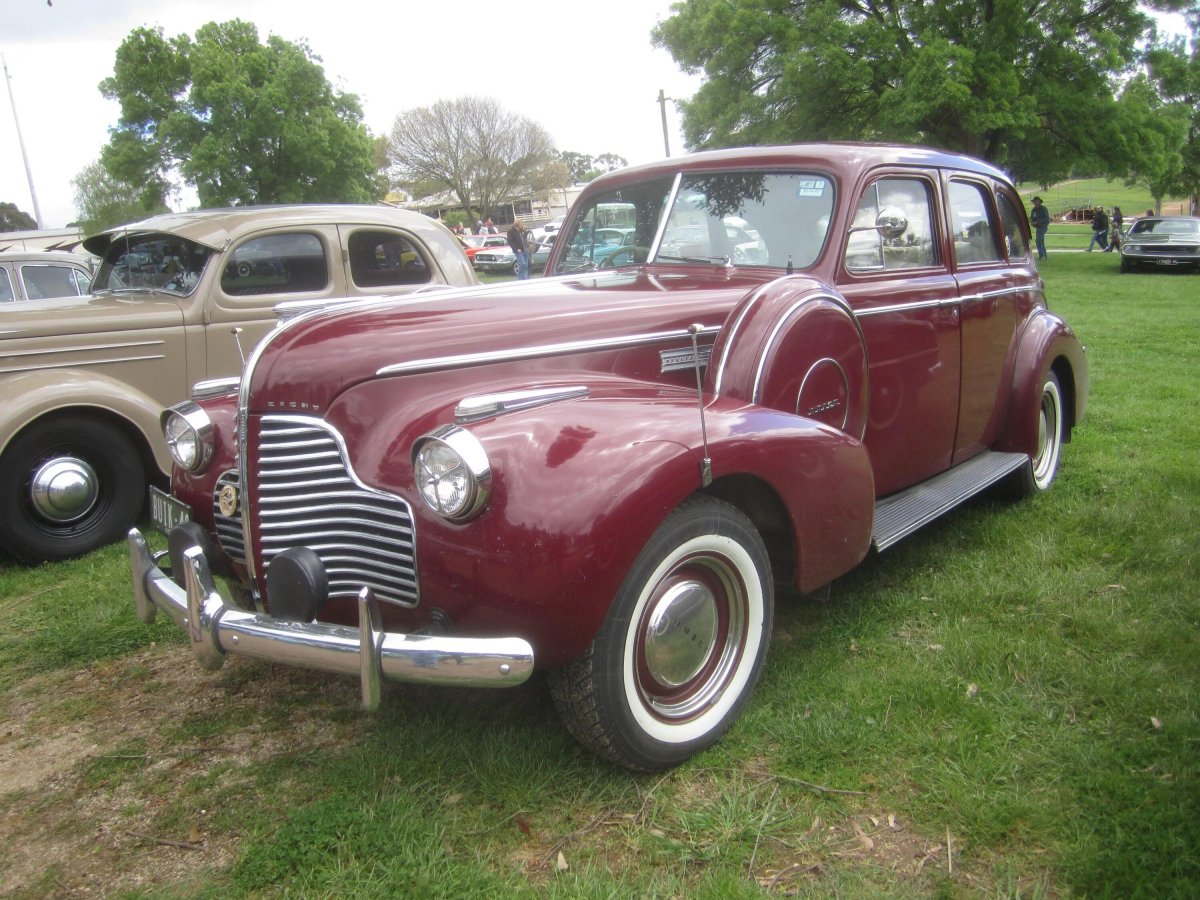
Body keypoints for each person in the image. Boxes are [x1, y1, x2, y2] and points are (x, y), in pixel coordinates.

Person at [1029, 196, 1050, 260]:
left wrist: (1037, 222)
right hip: (1038, 228)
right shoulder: (1033, 210)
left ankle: (1042, 255)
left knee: (1038, 240)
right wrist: (1032, 222)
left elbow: (1046, 219)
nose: (1035, 202)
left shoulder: (1043, 209)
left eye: (1036, 201)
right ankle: (1044, 255)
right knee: (1041, 241)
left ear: (1039, 202)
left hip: (1043, 227)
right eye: (1034, 201)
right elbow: (1033, 218)